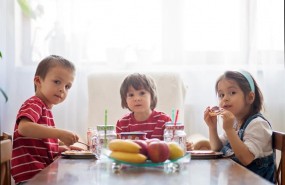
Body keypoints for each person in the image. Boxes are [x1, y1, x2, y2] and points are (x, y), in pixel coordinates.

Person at [11, 55, 82, 185]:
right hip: (31, 177)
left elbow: (40, 144)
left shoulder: (45, 109)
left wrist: (62, 147)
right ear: (38, 81)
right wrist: (60, 133)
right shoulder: (34, 103)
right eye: (57, 82)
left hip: (40, 175)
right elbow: (24, 128)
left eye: (67, 86)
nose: (62, 89)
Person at [204, 70, 274, 183]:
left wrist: (229, 129)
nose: (225, 98)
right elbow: (216, 148)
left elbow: (246, 159)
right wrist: (212, 127)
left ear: (250, 97)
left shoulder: (258, 124)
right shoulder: (236, 123)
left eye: (232, 92)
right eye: (221, 95)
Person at [116, 73, 172, 140]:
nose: (137, 98)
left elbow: (173, 144)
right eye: (131, 95)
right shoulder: (122, 124)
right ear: (125, 99)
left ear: (152, 96)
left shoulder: (164, 121)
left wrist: (187, 144)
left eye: (142, 93)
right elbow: (118, 147)